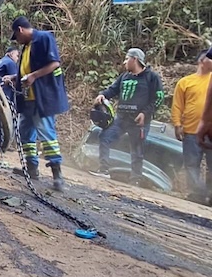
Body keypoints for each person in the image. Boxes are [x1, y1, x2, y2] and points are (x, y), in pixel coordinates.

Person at [1, 16, 70, 191]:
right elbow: (28, 71)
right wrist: (14, 77)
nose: (17, 41)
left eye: (16, 37)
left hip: (42, 97)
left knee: (46, 133)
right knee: (26, 134)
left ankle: (57, 175)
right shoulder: (26, 47)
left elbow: (54, 63)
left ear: (20, 30)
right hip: (28, 99)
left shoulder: (44, 38)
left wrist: (33, 77)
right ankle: (32, 168)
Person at [90, 48, 164, 185]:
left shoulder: (151, 77)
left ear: (134, 59)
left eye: (126, 59)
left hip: (139, 122)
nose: (124, 62)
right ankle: (104, 170)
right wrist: (102, 95)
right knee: (104, 137)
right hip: (121, 119)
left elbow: (159, 98)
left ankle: (135, 180)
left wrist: (145, 113)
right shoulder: (125, 76)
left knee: (137, 151)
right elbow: (112, 89)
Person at [172, 52, 212, 203]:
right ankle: (199, 195)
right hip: (190, 131)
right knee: (191, 165)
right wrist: (177, 124)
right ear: (202, 61)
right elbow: (177, 106)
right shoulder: (185, 82)